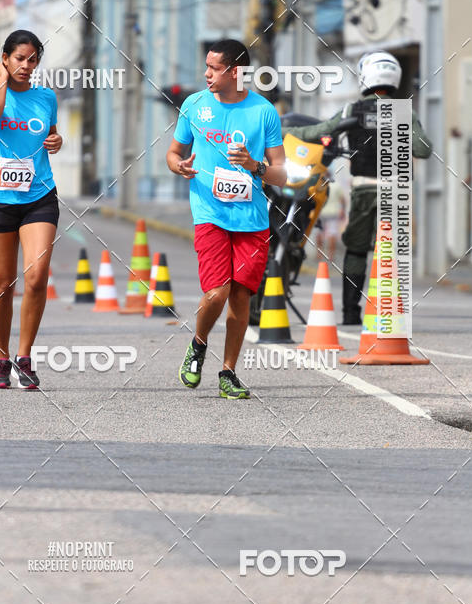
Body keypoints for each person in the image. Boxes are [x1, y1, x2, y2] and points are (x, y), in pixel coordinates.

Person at [166, 39, 286, 399]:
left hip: (252, 219)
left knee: (241, 298)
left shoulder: (263, 112)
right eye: (206, 66)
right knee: (217, 291)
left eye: (214, 68)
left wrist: (255, 166)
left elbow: (281, 174)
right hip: (210, 212)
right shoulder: (194, 106)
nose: (206, 74)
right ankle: (199, 344)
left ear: (235, 72)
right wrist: (180, 167)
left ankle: (228, 372)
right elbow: (173, 153)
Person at [285, 51, 432, 325]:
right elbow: (423, 150)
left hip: (364, 190)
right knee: (393, 251)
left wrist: (285, 132)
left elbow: (320, 131)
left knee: (356, 248)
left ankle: (351, 314)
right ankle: (392, 316)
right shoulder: (405, 113)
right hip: (397, 193)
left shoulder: (351, 110)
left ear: (366, 77)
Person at [0, 29, 62, 389]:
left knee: (36, 275)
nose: (26, 66)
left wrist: (57, 140)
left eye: (32, 59)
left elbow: (51, 134)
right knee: (0, 284)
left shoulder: (46, 97)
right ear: (5, 59)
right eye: (19, 59)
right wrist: (1, 81)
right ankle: (1, 357)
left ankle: (24, 357)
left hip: (39, 196)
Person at [315, 173, 346, 263]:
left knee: (319, 232)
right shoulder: (336, 186)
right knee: (332, 234)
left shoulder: (320, 186)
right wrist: (343, 210)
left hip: (321, 212)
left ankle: (319, 254)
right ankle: (331, 255)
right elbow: (343, 200)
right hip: (333, 213)